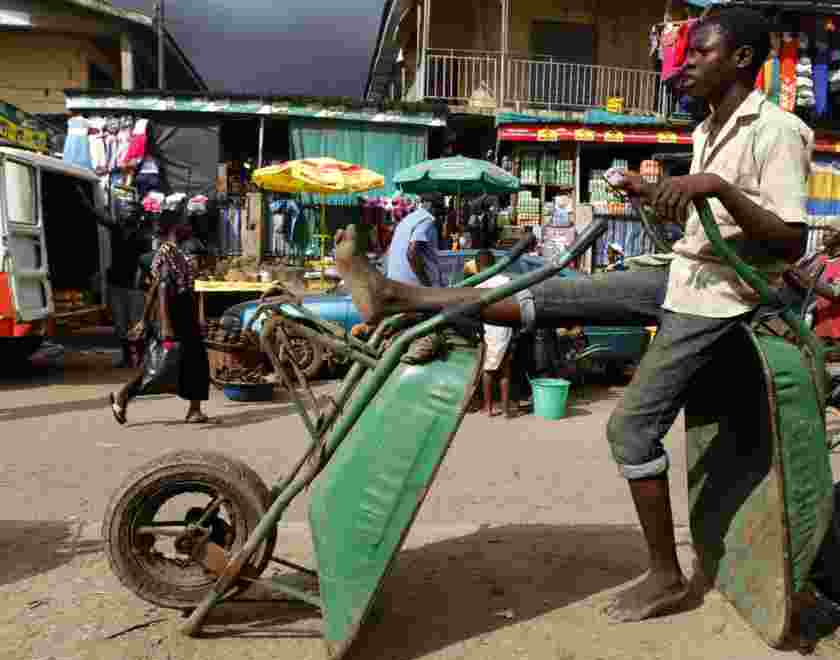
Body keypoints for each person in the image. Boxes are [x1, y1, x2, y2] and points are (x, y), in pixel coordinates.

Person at [333, 6, 812, 624]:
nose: (683, 63)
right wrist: (662, 198)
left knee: (630, 432)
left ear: (741, 59)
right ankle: (399, 297)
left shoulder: (778, 130)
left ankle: (667, 576)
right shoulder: (705, 130)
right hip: (683, 272)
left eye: (700, 53)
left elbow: (789, 239)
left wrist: (714, 187)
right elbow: (704, 222)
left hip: (727, 295)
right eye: (686, 52)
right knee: (552, 296)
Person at [109, 209, 212, 425]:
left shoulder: (184, 255)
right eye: (184, 224)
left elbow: (196, 289)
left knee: (197, 362)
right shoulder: (167, 255)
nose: (188, 227)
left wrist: (200, 316)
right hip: (170, 320)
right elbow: (160, 288)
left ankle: (194, 410)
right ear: (174, 228)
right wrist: (162, 325)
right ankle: (123, 397)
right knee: (155, 367)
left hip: (186, 318)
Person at [75, 185, 149, 368]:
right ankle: (128, 357)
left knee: (135, 323)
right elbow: (96, 215)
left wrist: (141, 282)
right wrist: (83, 198)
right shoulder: (117, 229)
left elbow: (145, 262)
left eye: (130, 211)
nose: (127, 214)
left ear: (138, 215)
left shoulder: (143, 236)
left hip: (135, 287)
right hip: (117, 283)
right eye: (125, 211)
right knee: (121, 325)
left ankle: (138, 358)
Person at [794, 227, 840, 350]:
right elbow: (808, 289)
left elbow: (834, 292)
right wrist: (788, 272)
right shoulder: (822, 259)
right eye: (825, 230)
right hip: (824, 331)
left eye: (832, 231)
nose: (825, 234)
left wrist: (796, 271)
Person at [474, 250, 516, 418]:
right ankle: (505, 410)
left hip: (488, 331)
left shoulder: (478, 285)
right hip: (506, 329)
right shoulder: (506, 281)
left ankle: (488, 407)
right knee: (505, 370)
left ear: (478, 265)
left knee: (488, 370)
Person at [385, 193, 443, 287]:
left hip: (394, 280)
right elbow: (412, 253)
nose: (441, 211)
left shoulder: (408, 219)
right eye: (440, 207)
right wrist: (427, 285)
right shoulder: (426, 220)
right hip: (412, 285)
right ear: (430, 205)